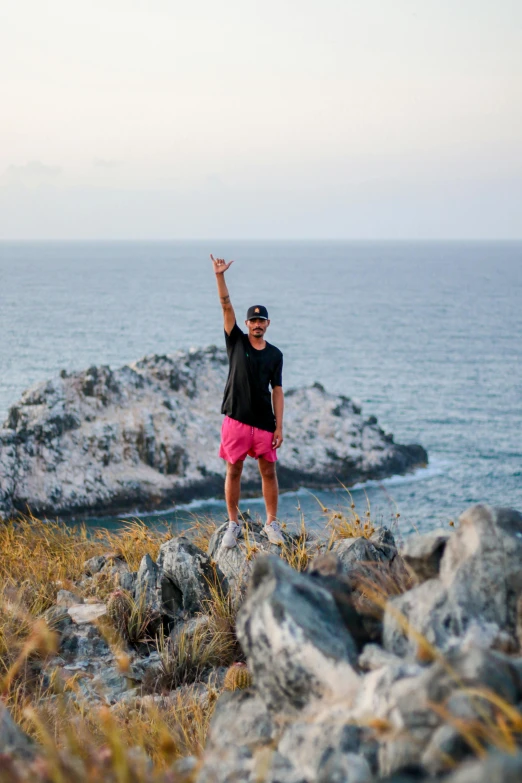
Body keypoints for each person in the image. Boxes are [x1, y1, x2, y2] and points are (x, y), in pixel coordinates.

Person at [211, 254, 285, 548]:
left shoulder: (275, 355)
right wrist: (220, 276)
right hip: (236, 420)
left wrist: (280, 426)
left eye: (261, 320)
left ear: (268, 323)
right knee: (234, 469)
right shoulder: (236, 341)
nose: (256, 324)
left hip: (264, 424)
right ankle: (232, 523)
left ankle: (271, 523)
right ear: (246, 323)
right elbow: (225, 305)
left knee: (269, 471)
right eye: (252, 320)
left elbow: (277, 390)